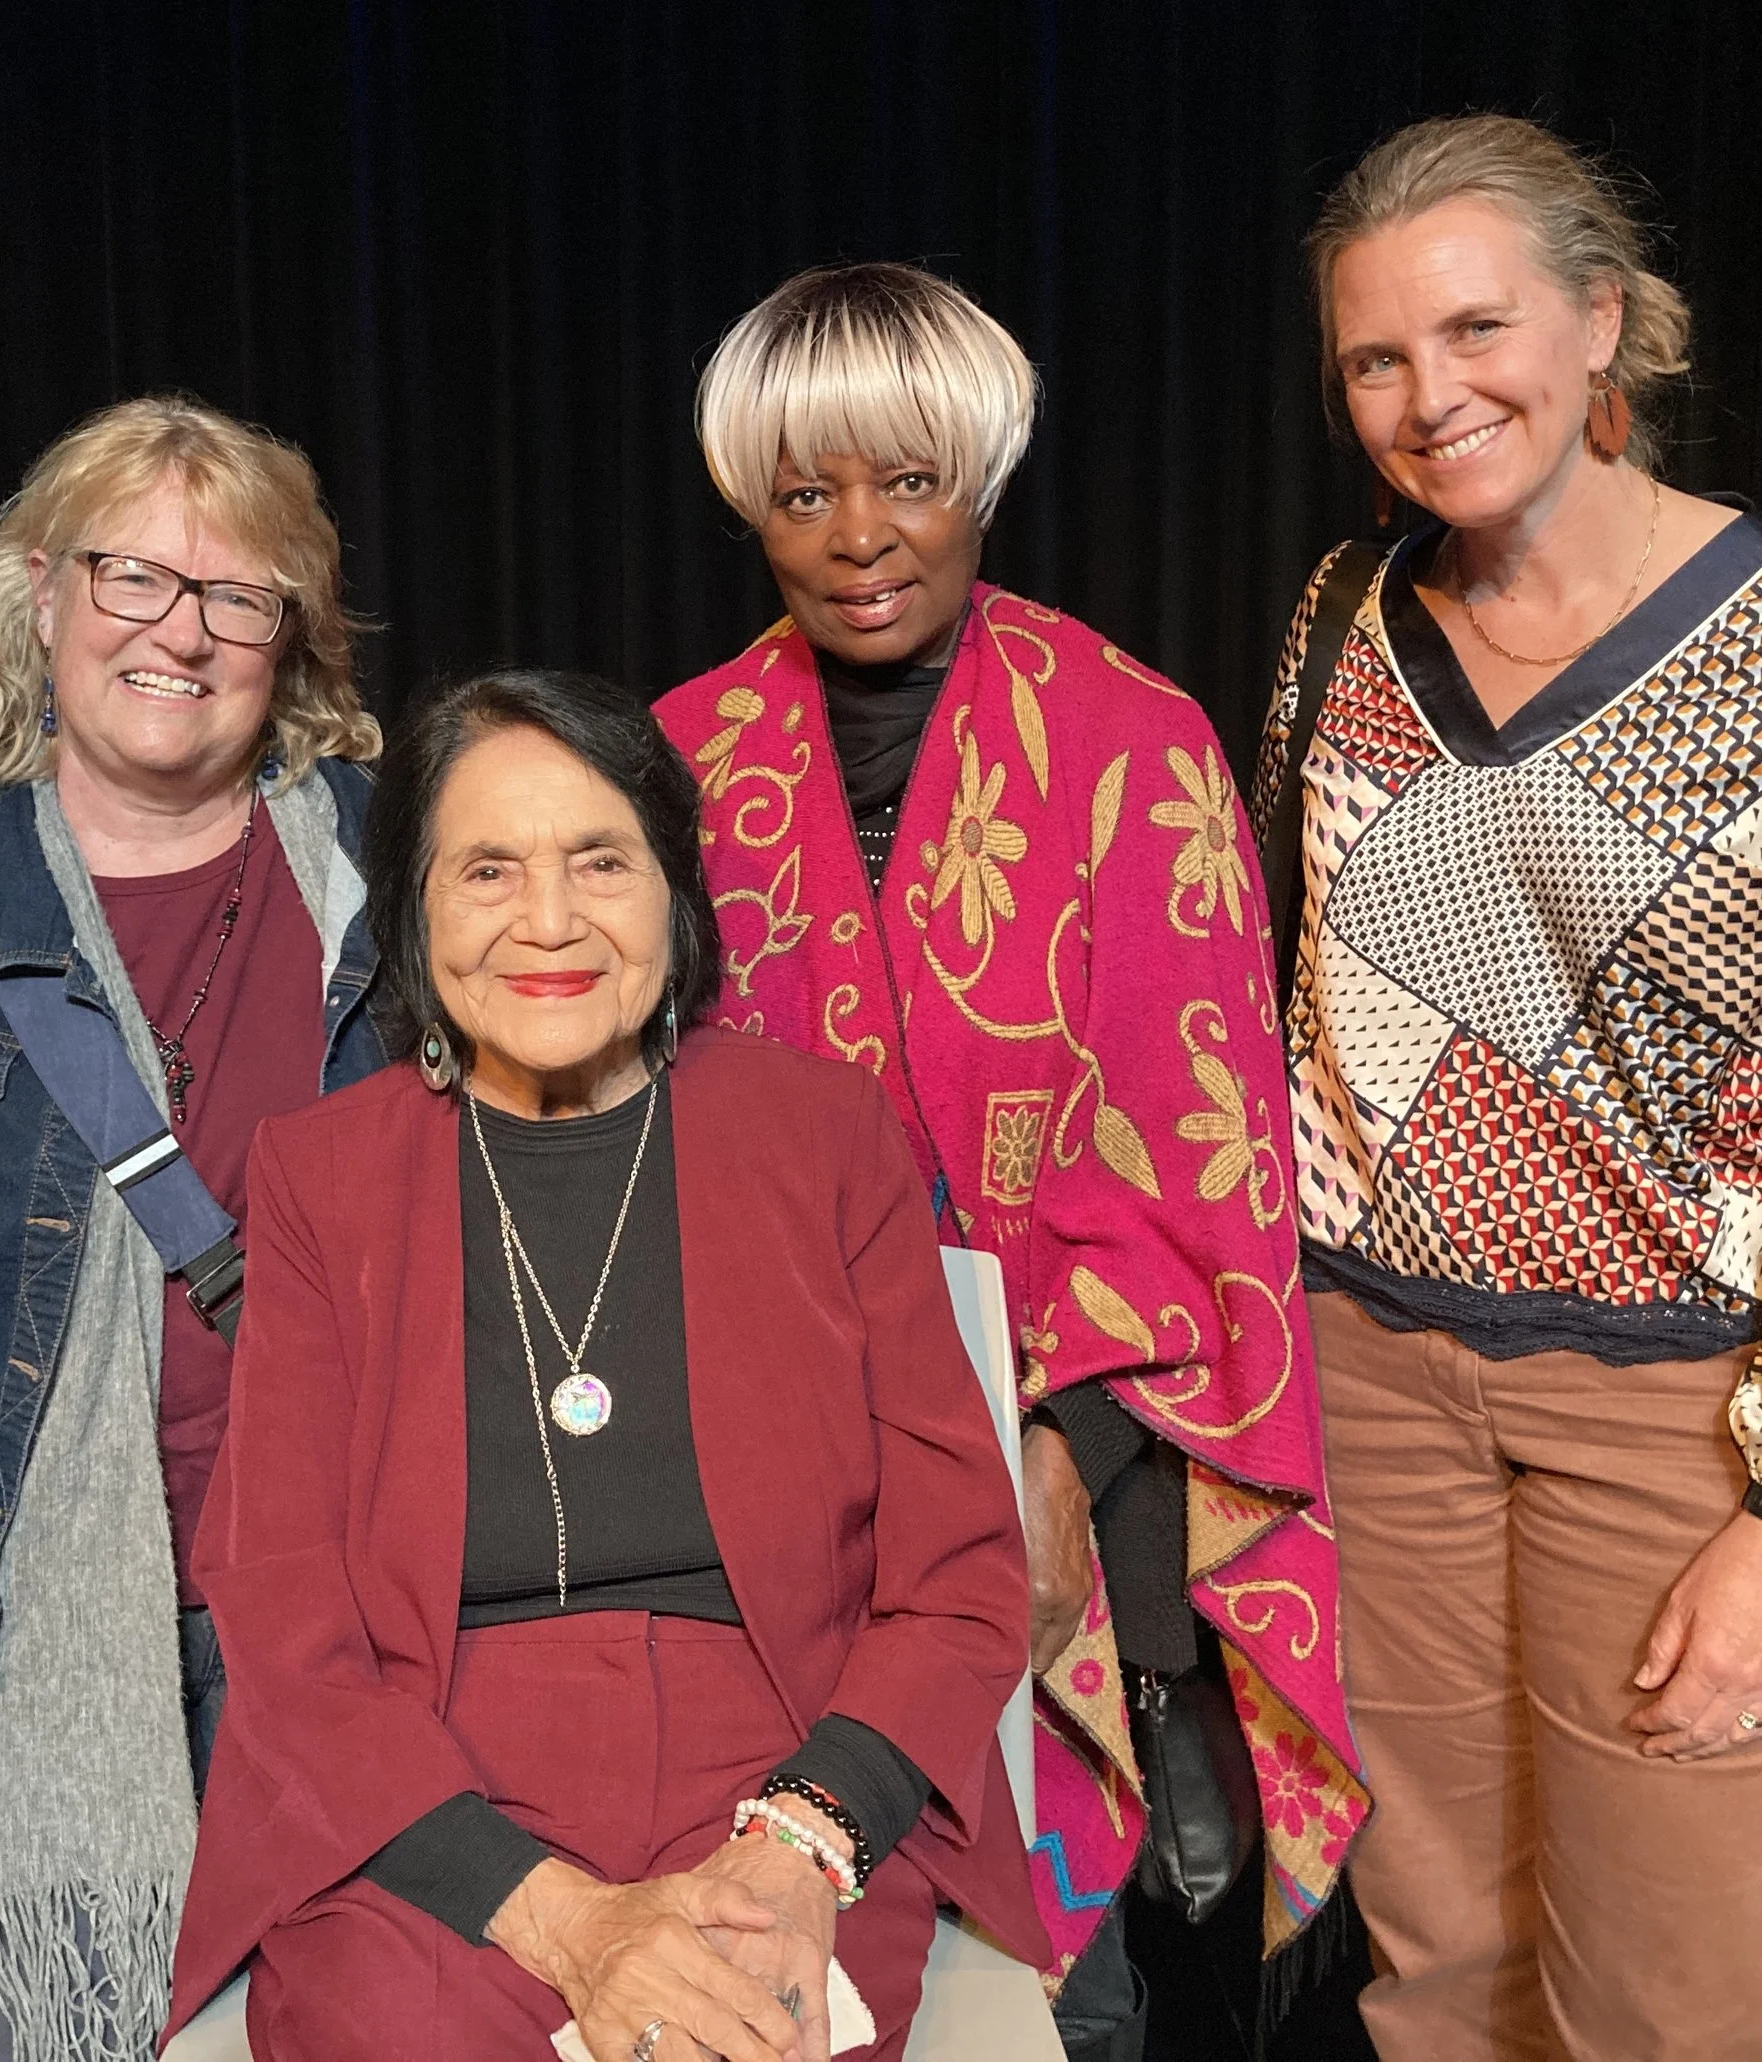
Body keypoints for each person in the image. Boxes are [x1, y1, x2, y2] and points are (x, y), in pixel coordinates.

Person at [654, 262, 1367, 2060]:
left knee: (1068, 1986)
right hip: (777, 1456)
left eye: (909, 478)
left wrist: (1065, 1443)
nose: (860, 537)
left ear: (983, 472)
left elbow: (1213, 1167)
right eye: (805, 494)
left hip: (1091, 1440)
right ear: (753, 507)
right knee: (809, 1934)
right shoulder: (669, 763)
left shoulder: (1137, 738)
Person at [161, 667, 1047, 2061]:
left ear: (675, 895)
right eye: (489, 869)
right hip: (431, 1785)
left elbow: (960, 1573)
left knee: (742, 2033)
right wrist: (564, 1918)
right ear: (416, 910)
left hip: (782, 1751)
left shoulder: (826, 1137)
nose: (552, 921)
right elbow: (284, 1611)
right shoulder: (324, 1176)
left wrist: (801, 1845)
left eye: (601, 862)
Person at [1253, 113, 1762, 2059]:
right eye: (1372, 359)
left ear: (1600, 322)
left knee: (1673, 2004)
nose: (1429, 395)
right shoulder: (1339, 618)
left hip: (1669, 1418)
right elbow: (1281, 1006)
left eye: (1475, 327)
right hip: (1371, 1385)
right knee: (1434, 1969)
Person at [0, 395, 384, 2061]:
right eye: (132, 576)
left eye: (238, 595)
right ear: (39, 595)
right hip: (12, 1616)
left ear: (288, 639)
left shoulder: (402, 872)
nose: (181, 630)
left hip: (344, 1601)